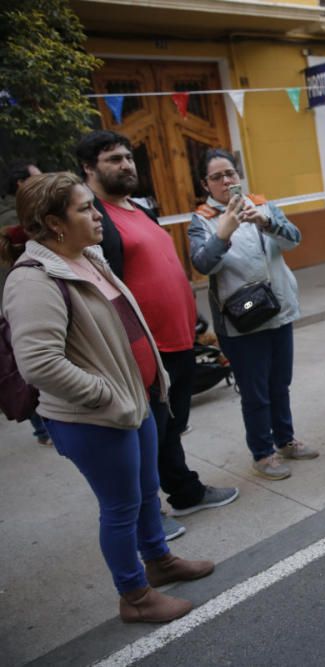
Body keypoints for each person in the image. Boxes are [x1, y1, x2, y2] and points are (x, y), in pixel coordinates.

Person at [3, 172, 214, 623]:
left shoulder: (89, 257)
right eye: (85, 209)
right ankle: (134, 596)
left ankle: (158, 562)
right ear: (53, 222)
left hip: (133, 401)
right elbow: (39, 362)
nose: (98, 215)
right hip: (95, 417)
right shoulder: (33, 279)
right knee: (119, 507)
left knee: (144, 493)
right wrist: (105, 395)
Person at [76, 131, 238, 537]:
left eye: (129, 158)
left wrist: (191, 316)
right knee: (146, 435)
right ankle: (147, 516)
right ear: (89, 169)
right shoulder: (95, 219)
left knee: (169, 428)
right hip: (143, 350)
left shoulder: (138, 209)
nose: (127, 165)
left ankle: (184, 492)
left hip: (178, 339)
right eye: (114, 159)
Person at [188, 149, 315, 480]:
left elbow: (295, 240)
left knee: (279, 384)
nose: (226, 181)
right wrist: (224, 232)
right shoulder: (201, 220)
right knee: (255, 392)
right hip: (241, 321)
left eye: (230, 173)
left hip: (277, 309)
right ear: (206, 184)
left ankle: (285, 440)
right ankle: (262, 453)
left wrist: (267, 222)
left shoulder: (263, 205)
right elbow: (201, 264)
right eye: (217, 177)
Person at [1, 159, 50, 445]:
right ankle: (42, 428)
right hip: (14, 300)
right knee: (25, 366)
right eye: (37, 178)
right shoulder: (12, 216)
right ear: (22, 184)